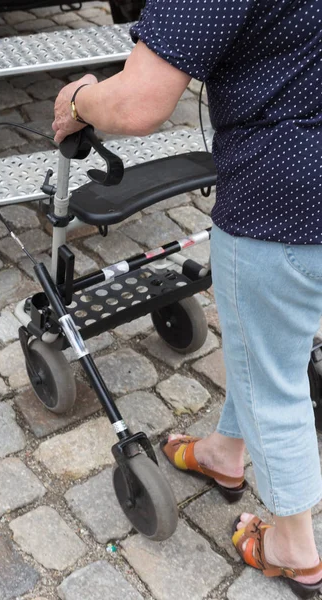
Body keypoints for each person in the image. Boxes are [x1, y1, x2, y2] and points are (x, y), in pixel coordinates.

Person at [52, 0, 322, 596]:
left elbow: (137, 102)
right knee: (270, 345)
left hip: (283, 202)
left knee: (274, 381)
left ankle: (293, 549)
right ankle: (225, 452)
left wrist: (76, 101)